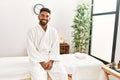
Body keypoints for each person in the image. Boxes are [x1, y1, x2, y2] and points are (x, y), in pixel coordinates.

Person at [27, 7, 68, 80]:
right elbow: (31, 49)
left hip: (51, 58)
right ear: (38, 17)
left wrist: (51, 61)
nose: (44, 18)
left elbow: (55, 47)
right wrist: (42, 62)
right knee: (38, 77)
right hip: (37, 59)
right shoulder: (31, 31)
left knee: (63, 74)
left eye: (47, 16)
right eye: (42, 15)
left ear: (49, 18)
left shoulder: (53, 31)